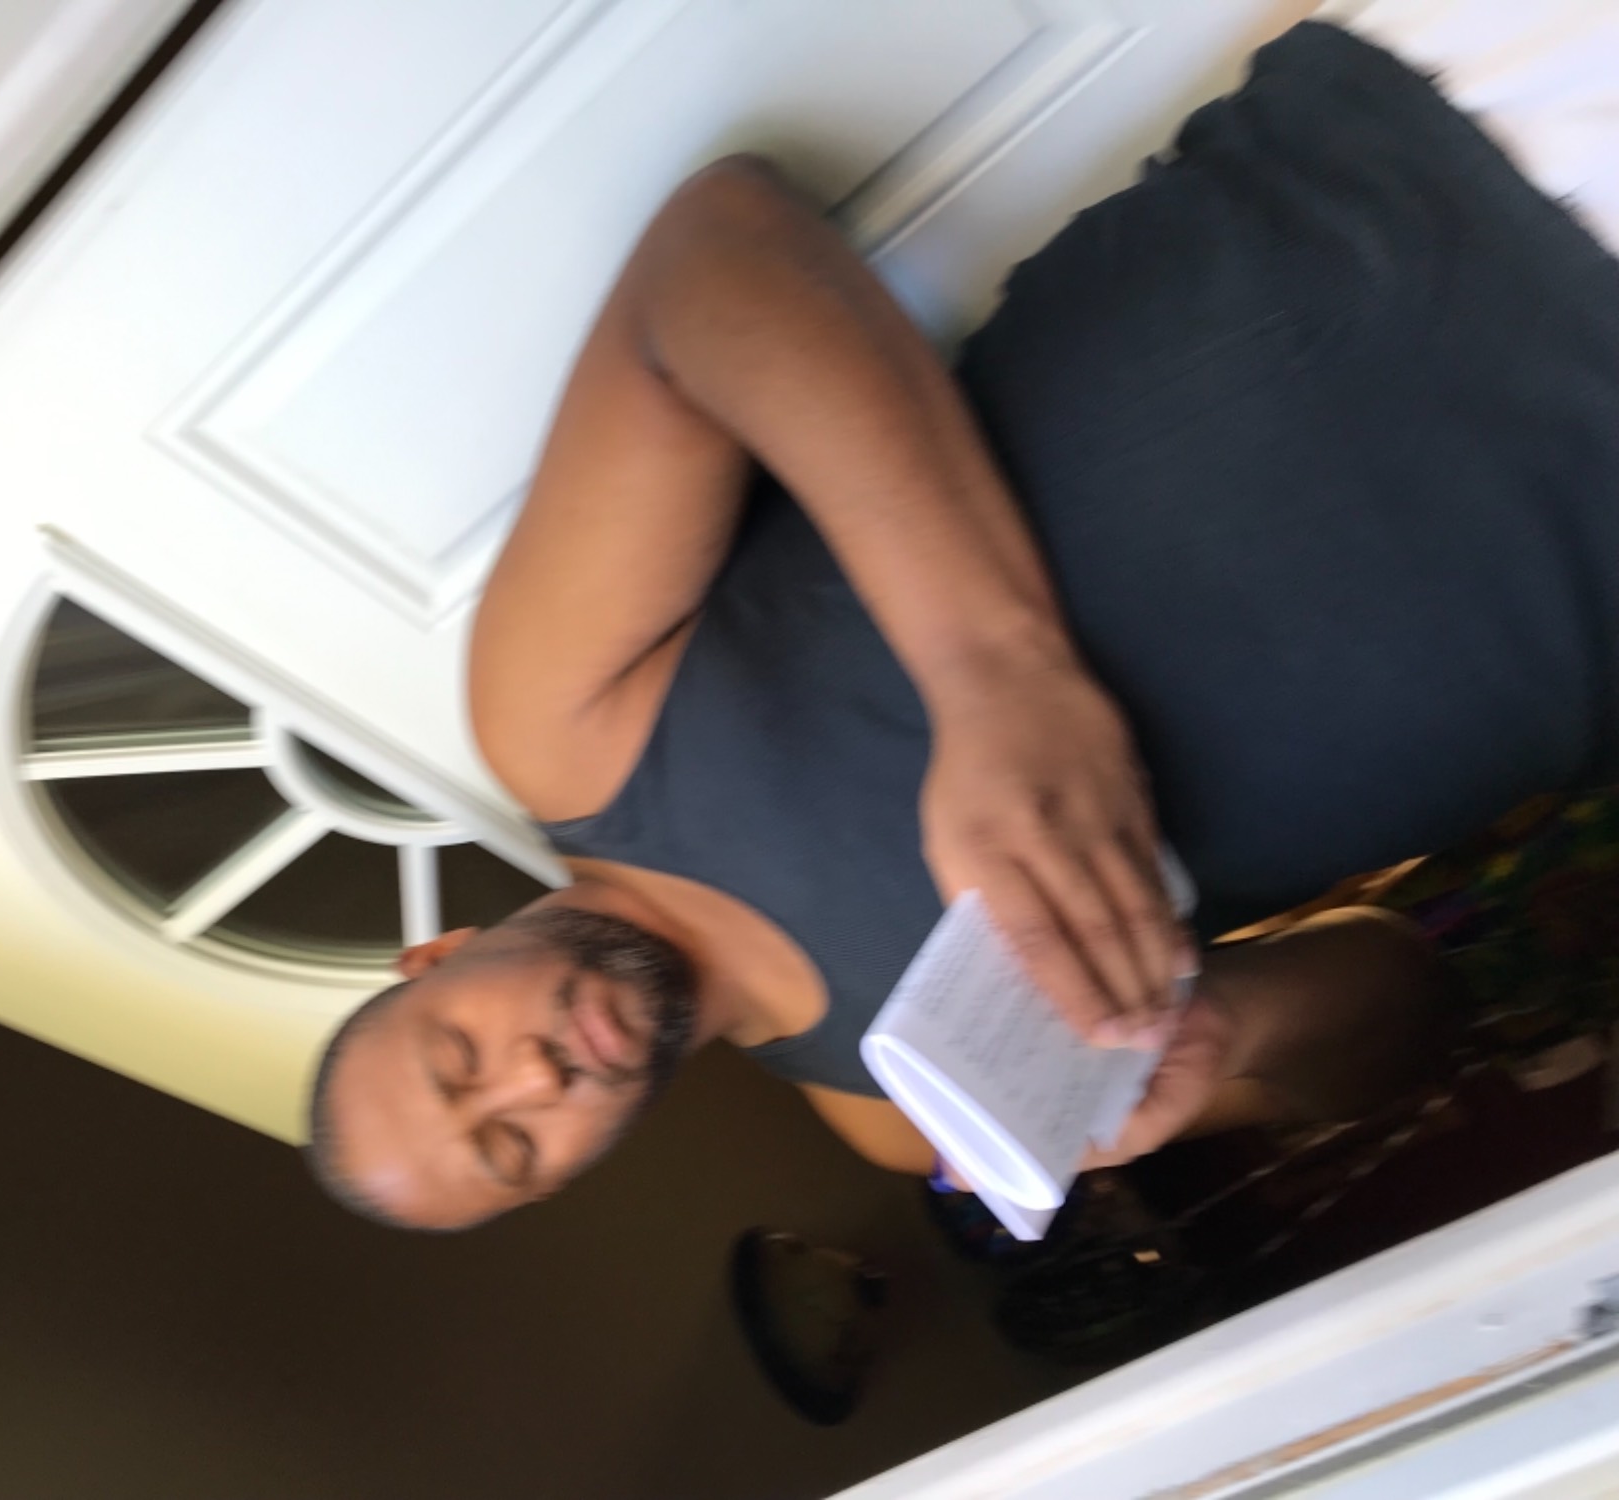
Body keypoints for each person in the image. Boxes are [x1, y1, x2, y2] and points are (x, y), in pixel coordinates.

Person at [307, 6, 1619, 1231]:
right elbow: (1409, 1011)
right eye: (513, 1145)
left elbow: (710, 255)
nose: (531, 1077)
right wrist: (1234, 1026)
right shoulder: (901, 1114)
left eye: (457, 1057)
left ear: (439, 956)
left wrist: (994, 673)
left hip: (1477, 158)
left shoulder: (557, 727)